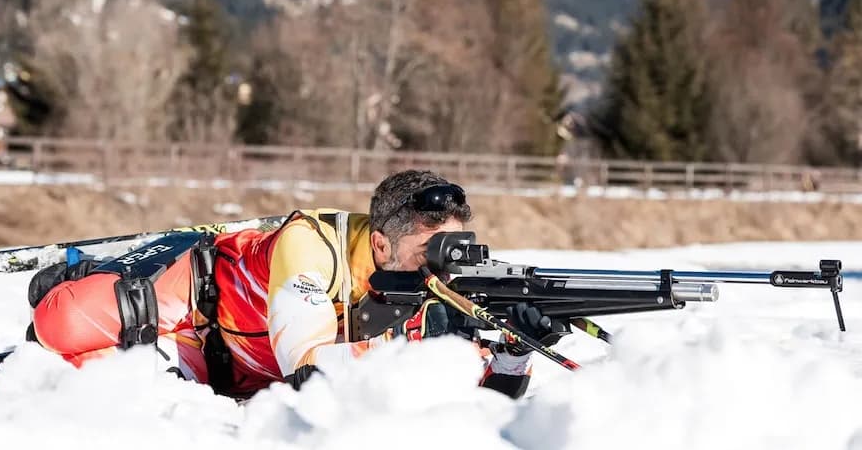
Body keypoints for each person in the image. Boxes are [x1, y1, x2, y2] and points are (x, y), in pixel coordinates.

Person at [28, 169, 566, 399]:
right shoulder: (310, 246)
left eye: (453, 251)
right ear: (380, 245)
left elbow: (484, 399)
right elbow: (305, 367)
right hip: (193, 309)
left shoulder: (431, 294)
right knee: (60, 324)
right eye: (432, 252)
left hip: (229, 378)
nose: (442, 271)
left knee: (128, 392)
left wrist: (514, 348)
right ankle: (81, 279)